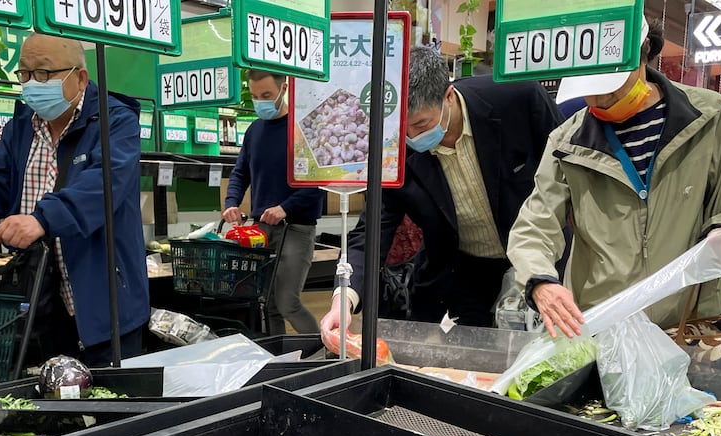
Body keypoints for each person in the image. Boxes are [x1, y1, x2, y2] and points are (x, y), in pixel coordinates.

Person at [507, 18, 721, 339]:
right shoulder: (567, 141)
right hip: (603, 325)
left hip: (689, 325)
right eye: (587, 89)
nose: (597, 100)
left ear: (642, 55)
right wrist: (540, 282)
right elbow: (535, 226)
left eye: (609, 86)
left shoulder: (708, 116)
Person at [0, 33, 148, 365]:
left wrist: (42, 219)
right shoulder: (21, 126)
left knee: (111, 403)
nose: (33, 83)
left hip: (104, 301)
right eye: (25, 73)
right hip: (41, 297)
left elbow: (104, 184)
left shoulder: (114, 121)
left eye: (44, 73)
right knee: (52, 405)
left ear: (80, 77)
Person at [319, 47, 560, 334]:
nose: (412, 137)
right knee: (474, 359)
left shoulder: (517, 99)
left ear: (448, 95)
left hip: (542, 262)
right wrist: (343, 299)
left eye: (421, 124)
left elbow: (566, 173)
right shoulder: (393, 149)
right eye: (402, 128)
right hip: (466, 270)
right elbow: (371, 232)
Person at [223, 70, 325, 335]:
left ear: (285, 87)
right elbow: (240, 172)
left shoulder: (305, 129)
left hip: (297, 228)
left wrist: (285, 208)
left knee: (287, 302)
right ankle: (280, 358)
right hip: (260, 230)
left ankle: (320, 351)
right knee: (268, 305)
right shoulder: (254, 131)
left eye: (266, 95)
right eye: (256, 96)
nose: (261, 102)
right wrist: (231, 202)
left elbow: (318, 185)